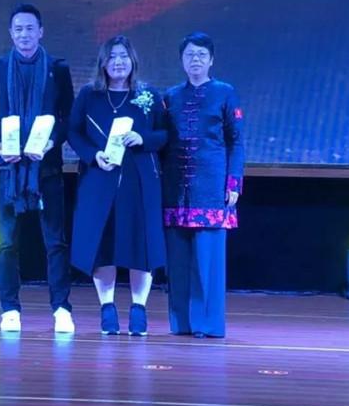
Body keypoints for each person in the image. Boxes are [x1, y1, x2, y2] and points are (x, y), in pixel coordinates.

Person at [0, 3, 75, 333]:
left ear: (41, 32)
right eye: (18, 29)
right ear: (11, 33)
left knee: (55, 242)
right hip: (9, 170)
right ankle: (9, 308)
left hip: (46, 168)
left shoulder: (57, 69)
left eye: (30, 28)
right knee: (7, 242)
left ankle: (61, 308)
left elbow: (68, 117)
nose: (24, 34)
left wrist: (52, 142)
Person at [68, 35, 167, 336]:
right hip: (100, 178)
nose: (118, 62)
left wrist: (143, 138)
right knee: (103, 243)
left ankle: (139, 308)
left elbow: (164, 134)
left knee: (140, 243)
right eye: (112, 57)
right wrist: (92, 155)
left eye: (123, 56)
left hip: (139, 181)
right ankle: (107, 308)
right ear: (102, 63)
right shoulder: (89, 95)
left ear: (132, 60)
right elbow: (73, 132)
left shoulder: (148, 94)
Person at [163, 32, 244, 338]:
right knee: (178, 261)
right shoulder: (171, 96)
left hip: (211, 186)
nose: (194, 60)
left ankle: (207, 324)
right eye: (189, 55)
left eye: (201, 55)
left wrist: (233, 182)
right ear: (181, 60)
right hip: (175, 188)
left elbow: (236, 141)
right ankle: (182, 323)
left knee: (208, 261)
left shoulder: (225, 93)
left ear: (211, 60)